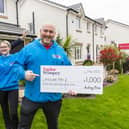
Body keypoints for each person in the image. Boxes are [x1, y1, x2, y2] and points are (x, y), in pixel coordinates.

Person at [15, 24, 74, 129]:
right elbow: (17, 65)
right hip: (32, 97)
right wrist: (23, 74)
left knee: (53, 125)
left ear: (54, 34)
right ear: (40, 31)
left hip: (53, 99)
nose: (48, 34)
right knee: (23, 126)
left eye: (51, 32)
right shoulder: (29, 48)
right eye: (45, 31)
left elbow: (69, 71)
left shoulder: (60, 51)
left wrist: (72, 86)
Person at [0, 40, 21, 129]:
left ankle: (16, 126)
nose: (3, 48)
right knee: (5, 112)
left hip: (13, 88)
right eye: (1, 47)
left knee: (13, 112)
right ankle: (8, 127)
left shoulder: (15, 57)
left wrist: (20, 39)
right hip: (1, 89)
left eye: (5, 47)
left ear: (9, 48)